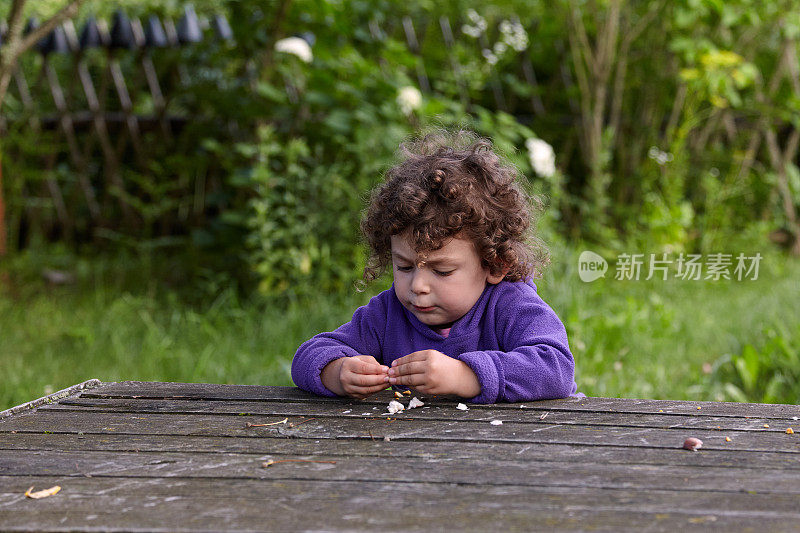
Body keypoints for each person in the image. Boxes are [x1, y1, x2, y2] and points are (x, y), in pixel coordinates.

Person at [291, 129, 579, 403]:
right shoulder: (388, 314)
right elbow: (309, 355)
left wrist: (465, 376)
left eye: (442, 271)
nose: (417, 286)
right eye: (404, 267)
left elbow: (556, 368)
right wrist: (338, 372)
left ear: (495, 265)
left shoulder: (511, 305)